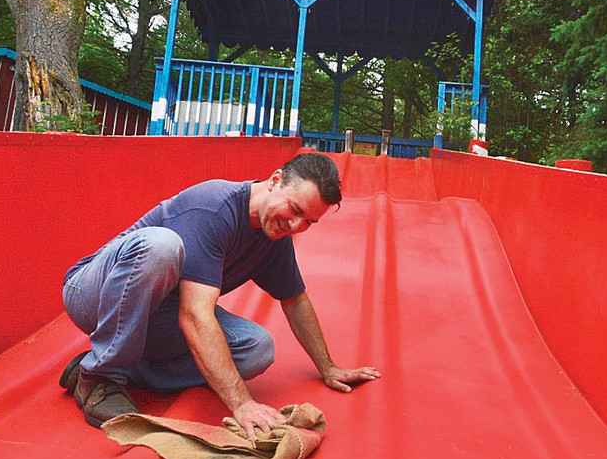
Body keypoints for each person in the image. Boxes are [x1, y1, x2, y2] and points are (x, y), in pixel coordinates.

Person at [58, 152, 380, 436]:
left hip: (158, 312)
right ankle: (101, 376)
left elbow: (294, 299)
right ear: (275, 180)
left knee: (256, 348)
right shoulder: (215, 207)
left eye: (309, 221)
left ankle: (108, 367)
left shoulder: (274, 234)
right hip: (94, 294)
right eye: (294, 209)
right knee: (162, 247)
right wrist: (242, 404)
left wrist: (328, 367)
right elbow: (195, 315)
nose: (295, 226)